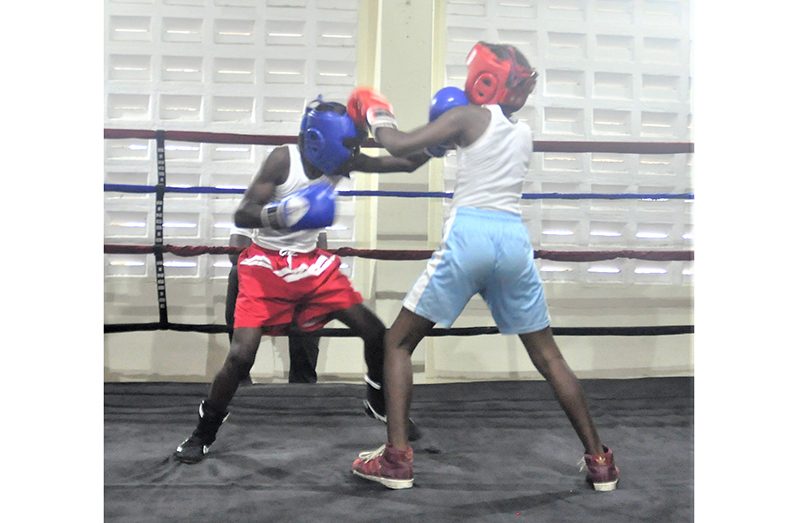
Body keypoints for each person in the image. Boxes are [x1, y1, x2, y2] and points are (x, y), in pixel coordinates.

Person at [347, 42, 620, 491]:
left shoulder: (468, 117)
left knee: (396, 342)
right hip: (512, 240)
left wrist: (375, 109)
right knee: (548, 356)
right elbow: (413, 159)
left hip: (471, 236)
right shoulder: (521, 131)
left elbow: (397, 143)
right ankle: (600, 460)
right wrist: (358, 162)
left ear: (483, 80)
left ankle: (396, 460)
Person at [174, 97, 426, 463]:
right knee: (241, 355)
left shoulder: (341, 159)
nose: (348, 155)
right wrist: (281, 214)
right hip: (265, 266)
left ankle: (377, 401)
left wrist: (436, 140)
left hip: (312, 266)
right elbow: (244, 214)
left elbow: (403, 163)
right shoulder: (283, 160)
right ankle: (203, 431)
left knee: (375, 332)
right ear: (316, 141)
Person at [225, 227, 322, 384]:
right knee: (237, 273)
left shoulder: (308, 207)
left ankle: (303, 381)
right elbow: (235, 254)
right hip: (260, 278)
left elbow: (320, 253)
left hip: (297, 276)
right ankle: (239, 375)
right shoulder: (252, 207)